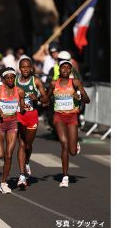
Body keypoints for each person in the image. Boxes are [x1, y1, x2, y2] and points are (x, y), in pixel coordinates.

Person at [46, 60, 90, 188]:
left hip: (72, 118)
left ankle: (75, 142)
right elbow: (46, 98)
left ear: (70, 70)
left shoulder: (75, 83)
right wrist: (39, 99)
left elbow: (87, 100)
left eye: (67, 68)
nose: (65, 70)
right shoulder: (54, 83)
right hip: (59, 117)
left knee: (73, 151)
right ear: (59, 70)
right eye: (63, 68)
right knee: (64, 144)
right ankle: (65, 177)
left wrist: (80, 97)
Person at [15, 56, 49, 188]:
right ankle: (22, 175)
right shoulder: (15, 81)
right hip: (19, 115)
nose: (25, 69)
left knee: (28, 145)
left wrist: (39, 98)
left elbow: (46, 100)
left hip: (32, 116)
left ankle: (27, 161)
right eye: (23, 67)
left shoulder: (36, 81)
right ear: (20, 68)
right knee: (21, 144)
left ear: (31, 68)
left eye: (28, 67)